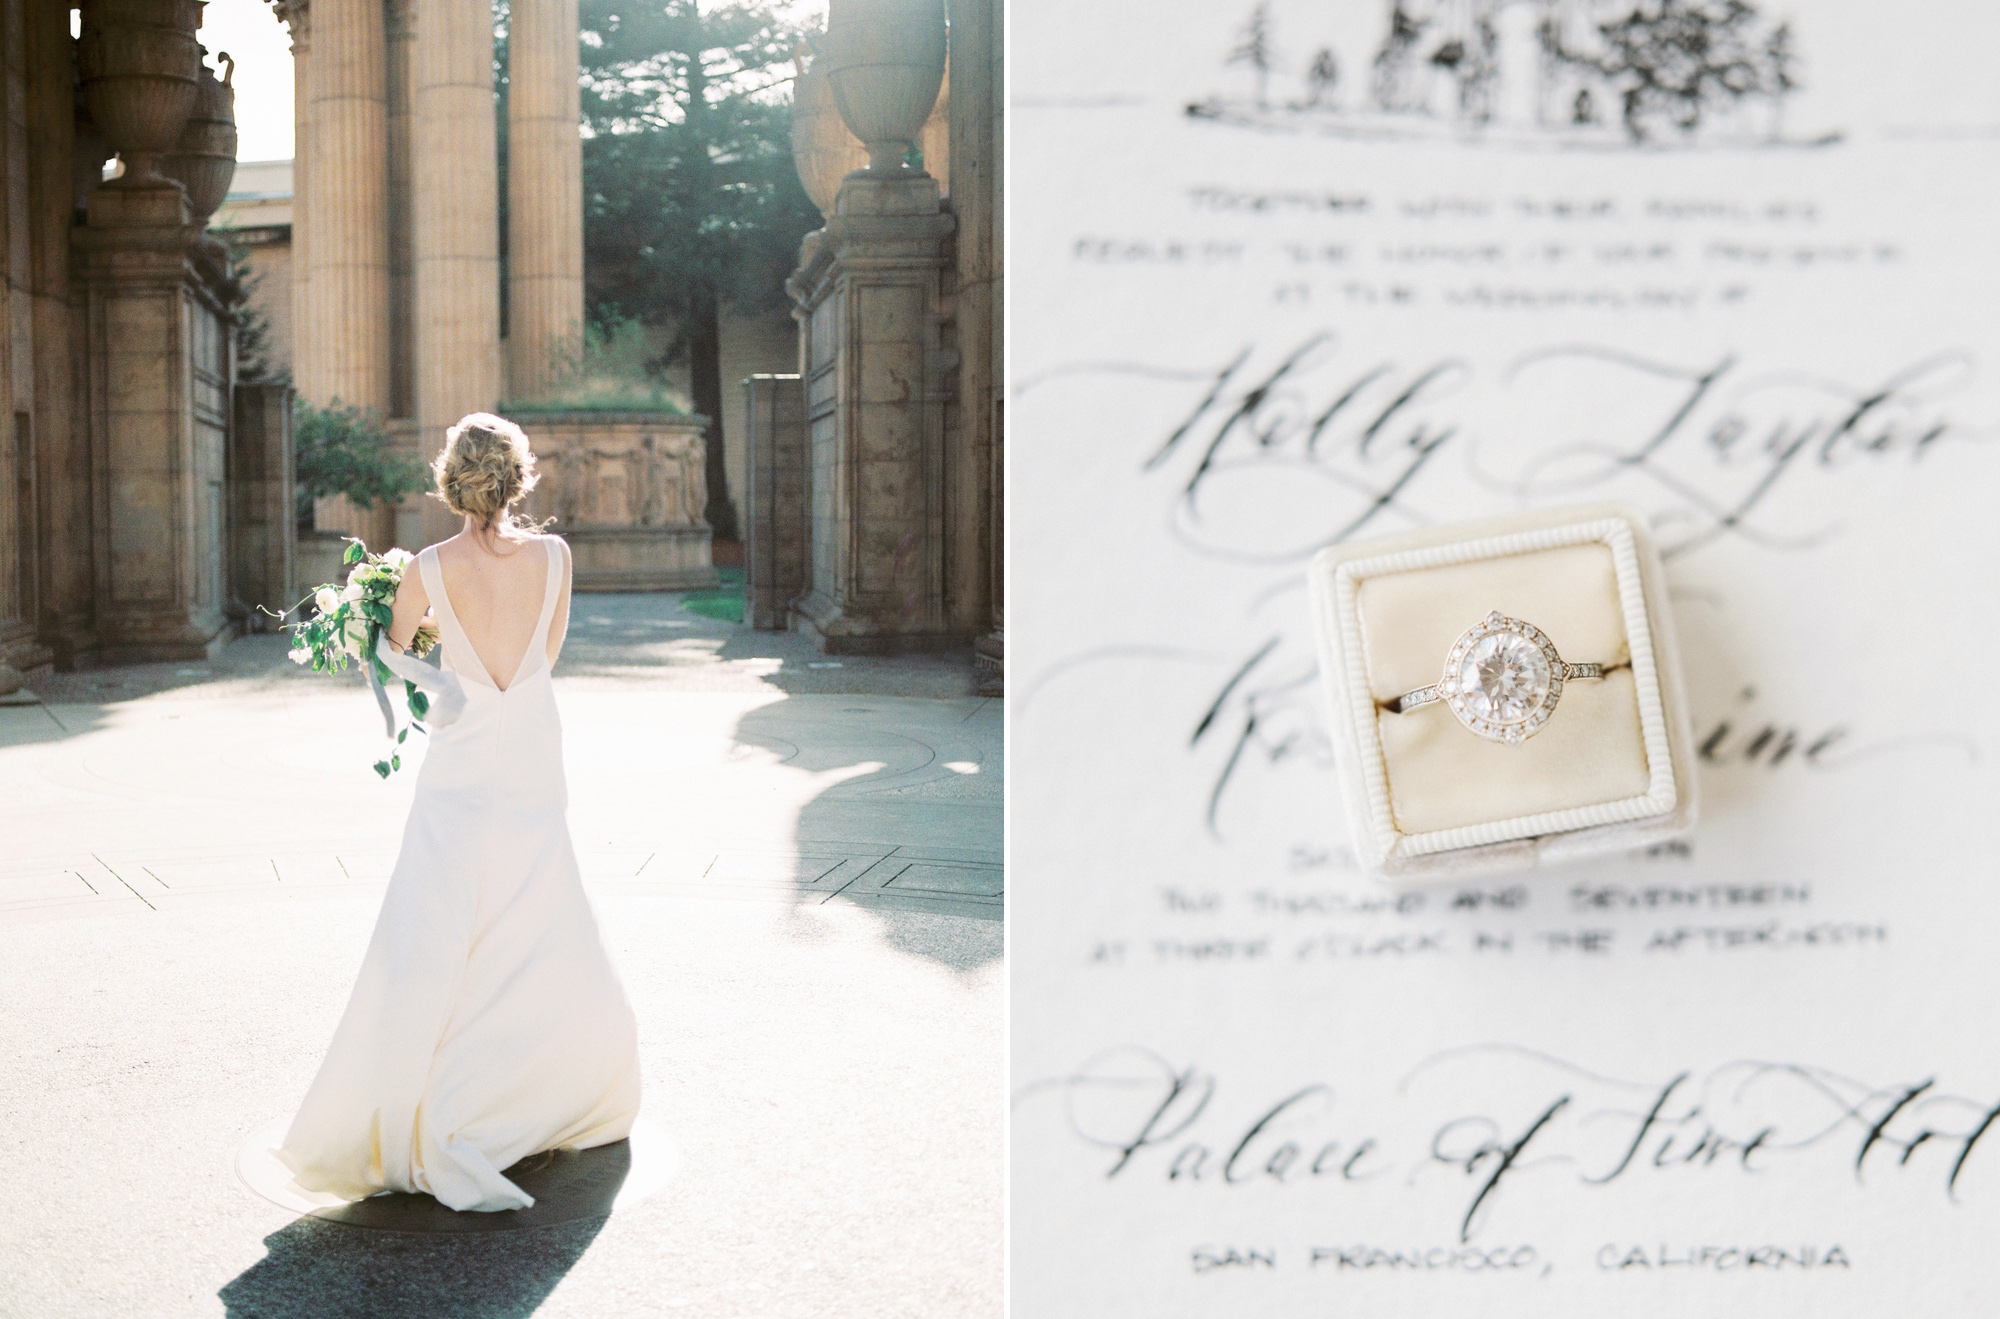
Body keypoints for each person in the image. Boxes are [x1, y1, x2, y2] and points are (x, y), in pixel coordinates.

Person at [275, 412, 641, 1212]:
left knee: (441, 915)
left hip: (466, 746)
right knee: (537, 902)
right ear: (518, 477)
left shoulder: (427, 568)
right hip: (535, 741)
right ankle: (540, 1083)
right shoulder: (557, 555)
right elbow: (545, 656)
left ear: (450, 480)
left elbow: (393, 652)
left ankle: (437, 1092)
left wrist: (433, 662)